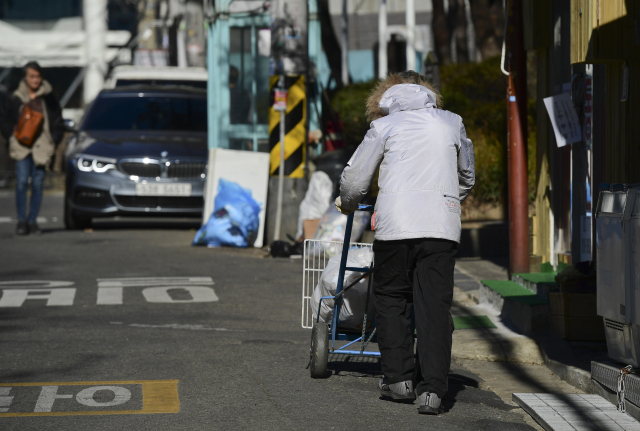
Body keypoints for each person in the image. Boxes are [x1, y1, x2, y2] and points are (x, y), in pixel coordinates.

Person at [335, 71, 475, 415]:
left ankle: (398, 381)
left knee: (392, 298)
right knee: (434, 307)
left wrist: (348, 202)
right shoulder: (451, 123)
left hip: (395, 225)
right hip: (440, 228)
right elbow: (467, 176)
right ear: (430, 97)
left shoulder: (384, 127)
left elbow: (355, 179)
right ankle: (433, 392)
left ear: (386, 102)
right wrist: (442, 198)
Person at [0, 61, 64, 235]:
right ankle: (21, 221)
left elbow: (58, 119)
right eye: (32, 76)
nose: (35, 80)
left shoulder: (48, 95)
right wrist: (11, 136)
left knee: (37, 184)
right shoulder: (15, 95)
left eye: (38, 76)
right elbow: (4, 118)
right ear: (25, 77)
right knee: (21, 183)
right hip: (20, 145)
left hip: (42, 146)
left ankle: (33, 221)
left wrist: (54, 140)